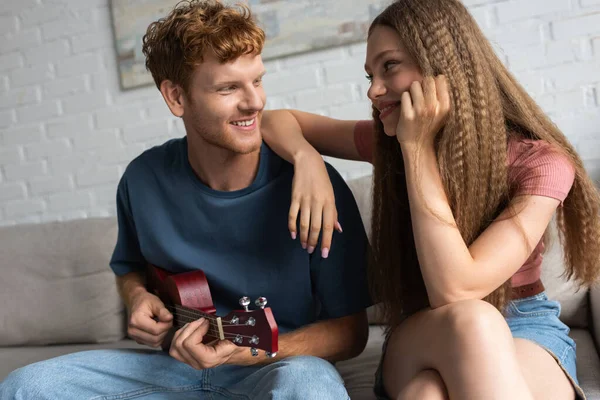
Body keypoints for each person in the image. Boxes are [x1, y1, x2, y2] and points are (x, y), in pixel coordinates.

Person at [0, 1, 372, 399]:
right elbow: (130, 270)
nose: (255, 102)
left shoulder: (314, 188)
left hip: (276, 366)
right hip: (171, 369)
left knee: (310, 385)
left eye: (257, 81)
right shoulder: (142, 179)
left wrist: (255, 351)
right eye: (228, 88)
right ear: (176, 97)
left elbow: (351, 333)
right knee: (27, 385)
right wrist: (138, 297)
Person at [261, 0, 600, 399]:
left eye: (390, 66)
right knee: (472, 321)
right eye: (370, 74)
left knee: (426, 393)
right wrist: (308, 160)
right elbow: (275, 120)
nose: (373, 89)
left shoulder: (541, 163)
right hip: (424, 330)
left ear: (445, 65)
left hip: (524, 324)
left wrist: (418, 148)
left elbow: (458, 288)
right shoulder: (390, 144)